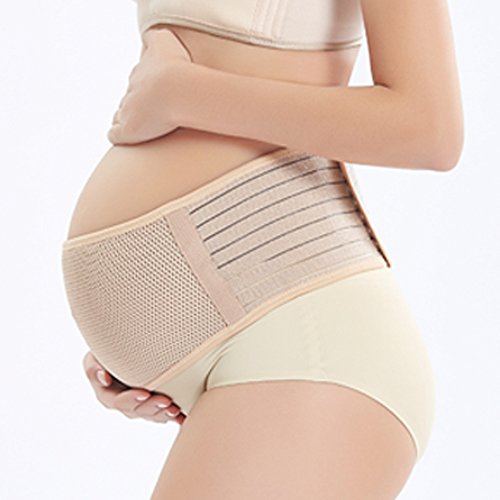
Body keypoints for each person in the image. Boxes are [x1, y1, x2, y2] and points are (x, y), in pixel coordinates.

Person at [62, 0, 463, 497]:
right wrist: (141, 330)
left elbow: (429, 128)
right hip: (263, 336)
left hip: (309, 344)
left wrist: (184, 94)